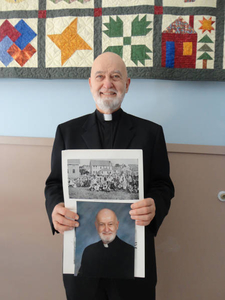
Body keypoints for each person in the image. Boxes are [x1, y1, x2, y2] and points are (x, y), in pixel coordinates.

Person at [45, 52, 174, 300]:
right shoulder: (67, 132)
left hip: (136, 262)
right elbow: (54, 184)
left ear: (127, 84)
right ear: (90, 83)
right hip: (81, 264)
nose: (107, 84)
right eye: (100, 76)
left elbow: (163, 185)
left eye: (115, 76)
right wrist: (55, 209)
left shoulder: (151, 133)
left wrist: (155, 204)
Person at [78, 208, 134, 279]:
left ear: (117, 225)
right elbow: (81, 281)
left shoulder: (130, 251)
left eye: (110, 224)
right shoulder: (88, 251)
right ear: (96, 226)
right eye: (102, 224)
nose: (106, 229)